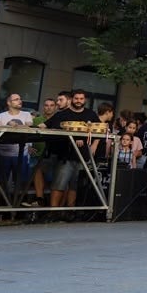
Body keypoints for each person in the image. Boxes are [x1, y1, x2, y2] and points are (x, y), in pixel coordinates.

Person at [43, 88, 99, 220]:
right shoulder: (62, 114)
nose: (79, 101)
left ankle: (70, 212)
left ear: (84, 100)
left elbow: (100, 129)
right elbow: (46, 125)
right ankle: (53, 211)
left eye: (81, 99)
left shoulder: (90, 114)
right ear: (71, 99)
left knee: (75, 185)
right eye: (76, 98)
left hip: (83, 156)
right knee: (59, 183)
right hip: (65, 155)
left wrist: (94, 145)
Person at [0, 94, 32, 199]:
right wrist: (8, 125)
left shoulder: (26, 114)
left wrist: (16, 126)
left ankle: (16, 205)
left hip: (21, 154)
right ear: (9, 103)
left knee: (20, 182)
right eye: (16, 99)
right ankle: (1, 204)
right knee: (1, 182)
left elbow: (29, 125)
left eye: (20, 99)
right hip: (3, 154)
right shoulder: (0, 116)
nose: (20, 101)